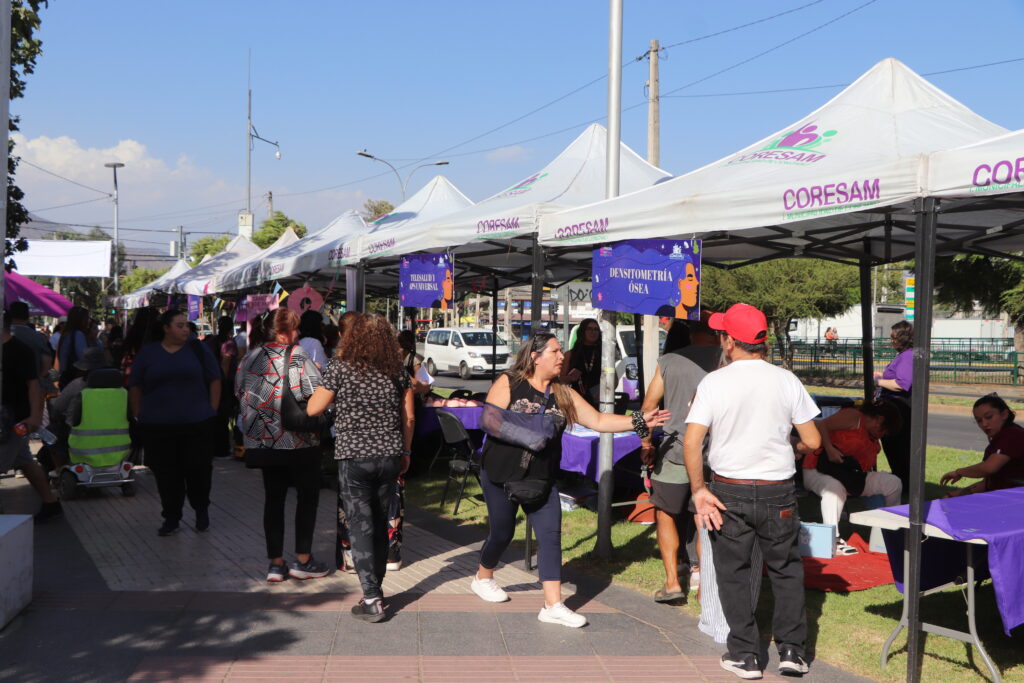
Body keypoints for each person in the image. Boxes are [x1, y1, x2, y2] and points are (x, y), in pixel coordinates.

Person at [471, 332, 670, 628]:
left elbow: (600, 421)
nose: (562, 356)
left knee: (551, 536)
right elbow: (489, 420)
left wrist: (640, 421)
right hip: (501, 474)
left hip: (543, 478)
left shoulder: (563, 393)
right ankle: (483, 577)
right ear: (535, 357)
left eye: (561, 351)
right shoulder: (509, 382)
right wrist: (531, 435)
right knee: (502, 532)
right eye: (555, 351)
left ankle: (552, 604)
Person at [683, 303, 821, 679]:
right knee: (786, 570)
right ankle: (792, 651)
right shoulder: (786, 379)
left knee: (734, 573)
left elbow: (692, 441)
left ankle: (745, 654)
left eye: (721, 334)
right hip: (778, 490)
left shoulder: (714, 382)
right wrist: (790, 447)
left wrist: (698, 490)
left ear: (729, 341)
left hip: (729, 489)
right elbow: (812, 439)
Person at [307, 313, 415, 623]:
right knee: (381, 520)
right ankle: (376, 588)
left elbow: (314, 407)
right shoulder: (397, 370)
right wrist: (406, 450)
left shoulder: (340, 368)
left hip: (354, 457)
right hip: (389, 454)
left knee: (360, 523)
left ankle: (371, 598)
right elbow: (408, 417)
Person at [236, 308, 328, 582]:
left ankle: (275, 563)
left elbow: (240, 393)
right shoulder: (296, 355)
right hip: (298, 440)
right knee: (307, 498)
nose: (298, 333)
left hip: (263, 441)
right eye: (294, 328)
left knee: (273, 500)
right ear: (282, 331)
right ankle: (303, 559)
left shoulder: (249, 358)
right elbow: (314, 395)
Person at [128, 309, 221, 536]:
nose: (185, 330)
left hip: (196, 423)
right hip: (158, 425)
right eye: (179, 325)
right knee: (166, 473)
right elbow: (135, 384)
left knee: (198, 470)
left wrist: (212, 409)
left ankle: (201, 509)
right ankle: (171, 516)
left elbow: (215, 378)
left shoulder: (198, 349)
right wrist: (139, 413)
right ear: (166, 328)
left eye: (186, 325)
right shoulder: (149, 352)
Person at [639, 327, 704, 602]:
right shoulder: (728, 360)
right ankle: (705, 590)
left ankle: (672, 583)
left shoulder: (668, 363)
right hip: (712, 451)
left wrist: (646, 445)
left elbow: (648, 408)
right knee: (705, 517)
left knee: (665, 512)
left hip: (675, 448)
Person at [794, 401, 904, 553]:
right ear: (879, 420)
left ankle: (890, 533)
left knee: (894, 483)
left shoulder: (871, 435)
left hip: (851, 477)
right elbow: (820, 425)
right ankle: (833, 539)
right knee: (834, 489)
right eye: (884, 431)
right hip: (818, 470)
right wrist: (830, 448)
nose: (883, 435)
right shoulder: (854, 417)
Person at [0, 316, 62, 519]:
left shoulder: (19, 350)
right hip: (11, 419)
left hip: (14, 420)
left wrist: (35, 416)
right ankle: (50, 503)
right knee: (24, 460)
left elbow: (33, 384)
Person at [941, 394, 1024, 495]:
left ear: (1004, 414)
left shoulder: (1012, 435)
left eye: (989, 417)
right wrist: (956, 494)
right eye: (979, 421)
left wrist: (959, 472)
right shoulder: (1001, 437)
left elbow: (989, 468)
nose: (984, 424)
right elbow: (988, 483)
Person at [874, 321, 913, 493]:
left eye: (893, 338)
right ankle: (900, 482)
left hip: (899, 408)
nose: (891, 341)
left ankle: (903, 484)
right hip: (895, 407)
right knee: (894, 448)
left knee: (897, 448)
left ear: (902, 338)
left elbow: (902, 384)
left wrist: (877, 381)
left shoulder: (907, 356)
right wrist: (882, 377)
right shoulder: (904, 356)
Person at [8, 301, 54, 381]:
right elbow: (46, 359)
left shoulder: (4, 333)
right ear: (27, 316)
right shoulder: (37, 337)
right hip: (30, 383)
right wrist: (39, 377)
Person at [561, 318, 601, 407]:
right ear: (582, 331)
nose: (593, 332)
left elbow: (614, 379)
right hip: (576, 400)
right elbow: (561, 379)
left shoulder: (604, 355)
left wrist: (605, 391)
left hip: (599, 400)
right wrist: (570, 378)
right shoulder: (570, 354)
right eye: (589, 329)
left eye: (596, 329)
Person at [56, 306, 93, 389]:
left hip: (65, 377)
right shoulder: (78, 334)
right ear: (81, 319)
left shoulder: (65, 334)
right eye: (87, 318)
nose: (88, 321)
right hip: (76, 379)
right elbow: (83, 358)